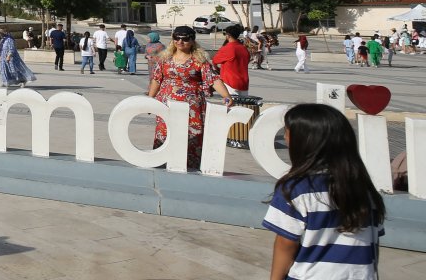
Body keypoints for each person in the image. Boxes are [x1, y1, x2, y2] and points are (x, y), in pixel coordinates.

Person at [262, 104, 384, 280]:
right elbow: (373, 245)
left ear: (304, 141)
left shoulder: (296, 189)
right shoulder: (365, 189)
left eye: (287, 132)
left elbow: (285, 245)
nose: (285, 138)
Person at [146, 26, 233, 170]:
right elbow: (156, 79)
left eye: (185, 38)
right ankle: (162, 165)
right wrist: (149, 100)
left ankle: (190, 169)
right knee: (165, 135)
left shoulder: (199, 60)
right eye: (177, 38)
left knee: (192, 137)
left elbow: (213, 79)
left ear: (192, 40)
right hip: (166, 105)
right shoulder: (165, 59)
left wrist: (226, 95)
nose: (180, 41)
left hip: (192, 108)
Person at [212, 24, 250, 96]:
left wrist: (218, 69)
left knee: (230, 105)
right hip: (244, 83)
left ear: (228, 36)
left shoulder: (228, 48)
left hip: (230, 83)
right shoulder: (244, 48)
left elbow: (214, 61)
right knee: (242, 106)